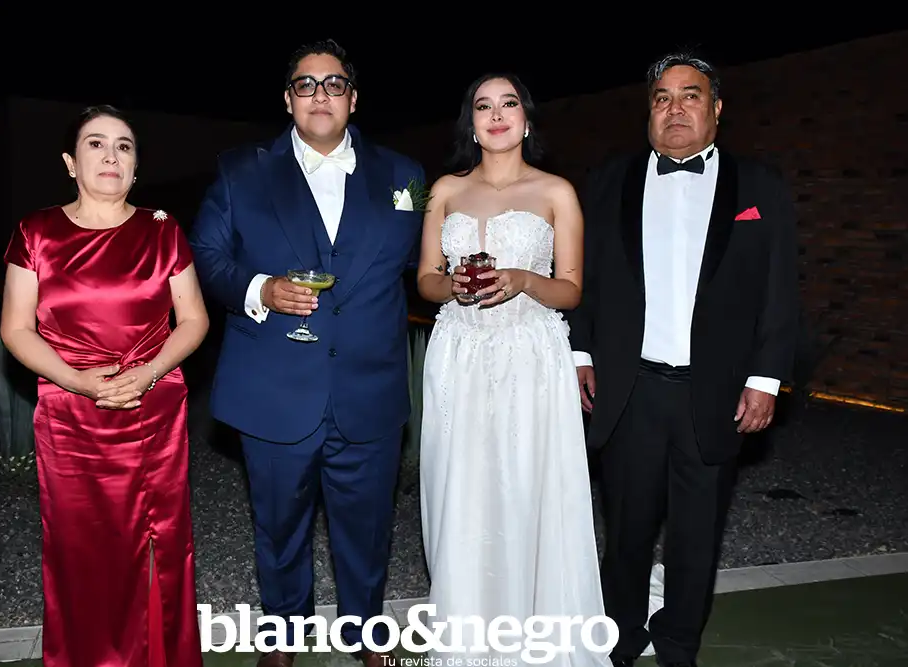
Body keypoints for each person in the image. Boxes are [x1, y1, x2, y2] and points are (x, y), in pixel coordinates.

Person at [188, 39, 426, 667]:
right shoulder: (241, 171)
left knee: (368, 527)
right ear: (288, 99)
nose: (321, 94)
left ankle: (364, 631)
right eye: (306, 84)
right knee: (277, 526)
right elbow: (205, 256)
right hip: (273, 387)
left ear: (354, 98)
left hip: (370, 388)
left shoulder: (406, 176)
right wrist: (259, 289)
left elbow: (425, 262)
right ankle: (284, 636)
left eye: (334, 83)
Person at [567, 51, 800, 666]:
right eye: (662, 98)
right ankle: (620, 637)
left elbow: (780, 287)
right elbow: (583, 277)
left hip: (716, 391)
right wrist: (580, 352)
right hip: (629, 389)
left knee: (697, 535)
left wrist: (766, 378)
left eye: (690, 96)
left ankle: (678, 644)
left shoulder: (759, 187)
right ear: (648, 112)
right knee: (626, 530)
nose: (675, 109)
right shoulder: (608, 181)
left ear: (716, 109)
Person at [0, 105, 209, 667]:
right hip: (70, 415)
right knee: (80, 552)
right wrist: (79, 382)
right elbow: (15, 329)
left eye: (124, 146)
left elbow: (194, 320)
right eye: (96, 143)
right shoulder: (36, 232)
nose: (111, 155)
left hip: (152, 411)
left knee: (158, 547)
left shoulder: (162, 230)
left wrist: (149, 371)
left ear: (136, 167)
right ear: (71, 162)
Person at [416, 73, 614, 667]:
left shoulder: (557, 192)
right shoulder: (444, 190)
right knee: (460, 490)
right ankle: (467, 637)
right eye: (484, 106)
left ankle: (536, 635)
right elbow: (425, 280)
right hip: (458, 353)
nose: (497, 115)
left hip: (530, 356)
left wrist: (525, 280)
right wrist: (452, 286)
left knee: (527, 488)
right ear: (471, 123)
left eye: (508, 104)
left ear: (526, 118)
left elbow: (572, 290)